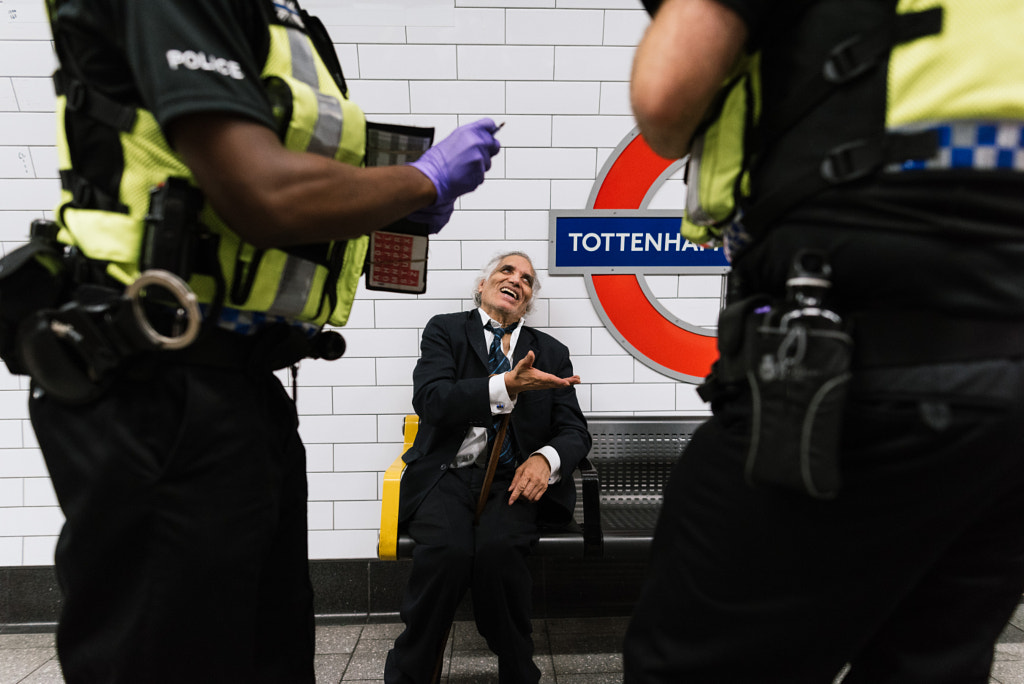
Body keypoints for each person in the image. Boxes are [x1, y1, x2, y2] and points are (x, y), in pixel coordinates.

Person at [22, 1, 501, 682]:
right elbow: (258, 189)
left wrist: (391, 198)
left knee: (266, 650)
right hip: (157, 389)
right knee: (169, 657)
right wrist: (419, 177)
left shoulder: (284, 21)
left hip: (243, 390)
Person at [623, 0, 1024, 682]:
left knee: (689, 662)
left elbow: (666, 97)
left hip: (854, 372)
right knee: (929, 659)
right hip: (1007, 383)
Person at [383, 251, 591, 684]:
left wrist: (543, 459)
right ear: (482, 285)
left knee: (499, 554)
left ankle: (517, 669)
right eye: (506, 271)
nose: (517, 280)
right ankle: (411, 671)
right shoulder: (445, 331)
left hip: (511, 482)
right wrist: (504, 386)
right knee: (448, 553)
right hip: (447, 475)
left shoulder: (551, 352)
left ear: (529, 301)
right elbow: (433, 400)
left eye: (528, 280)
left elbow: (574, 432)